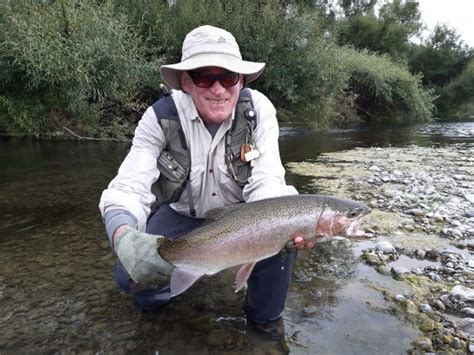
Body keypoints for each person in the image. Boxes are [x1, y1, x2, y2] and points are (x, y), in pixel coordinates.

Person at [99, 25, 313, 340]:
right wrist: (124, 237)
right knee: (131, 272)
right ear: (185, 81)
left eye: (228, 78)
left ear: (240, 80)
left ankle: (264, 326)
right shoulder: (159, 118)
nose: (218, 89)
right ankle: (163, 303)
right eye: (203, 77)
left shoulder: (259, 112)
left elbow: (267, 184)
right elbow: (127, 189)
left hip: (242, 216)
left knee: (281, 241)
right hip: (181, 215)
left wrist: (289, 222)